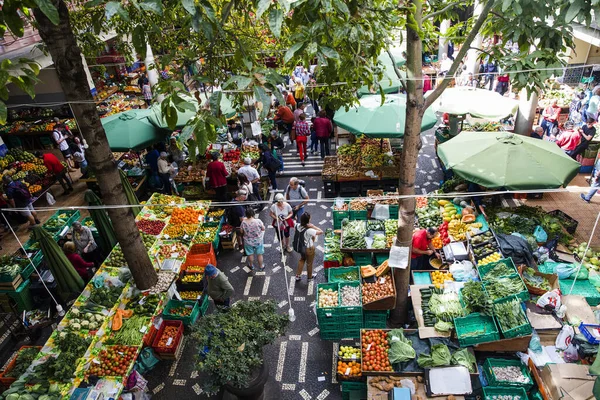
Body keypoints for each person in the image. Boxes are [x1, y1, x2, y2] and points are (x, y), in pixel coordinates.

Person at [294, 212, 323, 281]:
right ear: (308, 220)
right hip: (309, 248)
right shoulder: (309, 230)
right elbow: (321, 231)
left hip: (301, 247)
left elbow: (294, 224)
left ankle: (298, 275)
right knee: (309, 263)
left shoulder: (297, 225)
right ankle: (309, 277)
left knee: (302, 259)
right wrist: (313, 226)